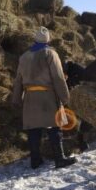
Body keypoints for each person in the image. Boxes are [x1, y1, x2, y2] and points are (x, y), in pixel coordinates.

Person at [12, 26, 77, 169]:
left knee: (33, 129)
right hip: (47, 96)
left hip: (30, 97)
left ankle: (35, 160)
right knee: (54, 127)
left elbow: (18, 80)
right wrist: (66, 98)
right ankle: (59, 159)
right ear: (48, 40)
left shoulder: (24, 56)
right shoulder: (50, 54)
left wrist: (16, 98)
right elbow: (58, 77)